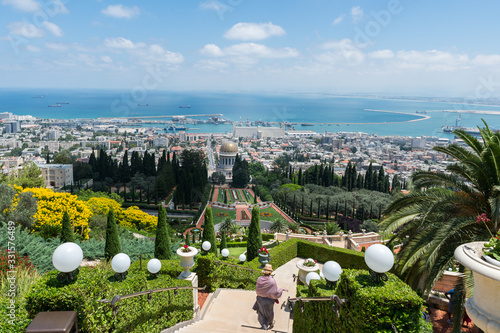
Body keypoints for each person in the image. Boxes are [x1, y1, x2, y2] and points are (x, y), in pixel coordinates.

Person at [253, 264, 287, 330]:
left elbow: (257, 290)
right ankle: (269, 322)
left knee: (261, 312)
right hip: (269, 300)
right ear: (270, 272)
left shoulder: (259, 279)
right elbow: (275, 292)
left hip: (260, 298)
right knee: (269, 313)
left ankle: (264, 325)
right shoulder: (272, 281)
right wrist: (281, 289)